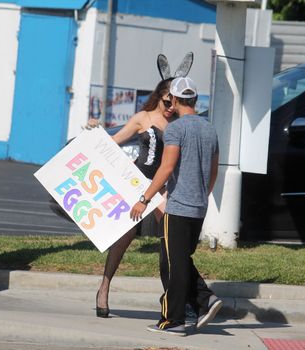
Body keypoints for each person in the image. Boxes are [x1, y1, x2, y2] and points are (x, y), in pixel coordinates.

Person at [130, 76, 223, 336]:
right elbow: (214, 171)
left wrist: (144, 199)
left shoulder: (176, 129)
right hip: (199, 207)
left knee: (175, 264)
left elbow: (166, 167)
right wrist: (203, 195)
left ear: (176, 99)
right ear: (194, 99)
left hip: (179, 206)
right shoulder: (210, 129)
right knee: (176, 259)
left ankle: (174, 320)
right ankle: (206, 300)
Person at [95, 77, 177, 318]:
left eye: (175, 103)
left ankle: (176, 298)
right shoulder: (142, 118)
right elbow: (113, 141)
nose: (170, 107)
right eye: (166, 102)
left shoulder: (178, 123)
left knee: (172, 239)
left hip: (161, 186)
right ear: (159, 95)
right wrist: (92, 132)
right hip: (136, 182)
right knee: (124, 237)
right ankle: (104, 288)